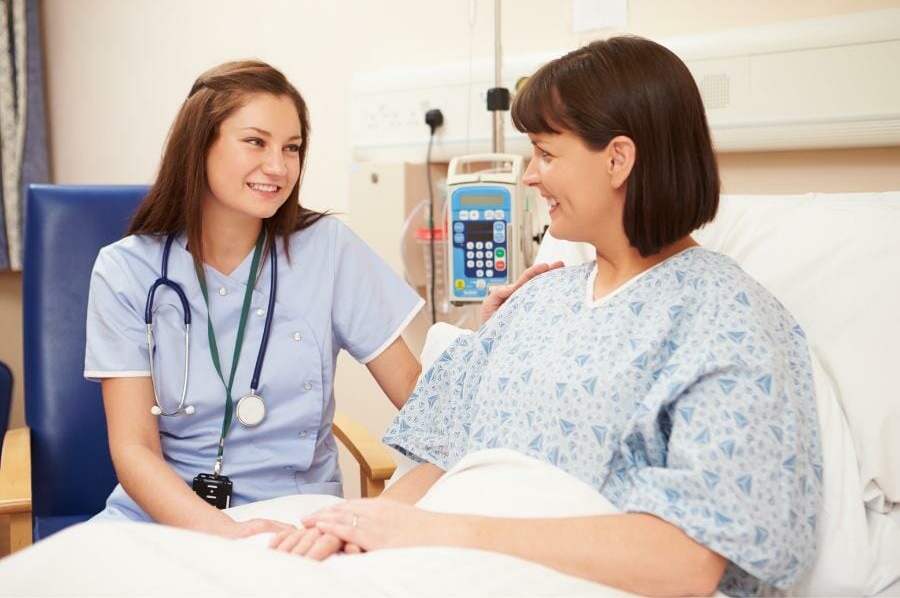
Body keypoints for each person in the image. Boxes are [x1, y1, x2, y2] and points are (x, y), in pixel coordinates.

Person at [273, 36, 823, 597]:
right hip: (428, 567)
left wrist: (436, 533)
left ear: (617, 159)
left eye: (546, 153)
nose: (530, 175)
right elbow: (434, 461)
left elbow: (688, 562)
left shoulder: (727, 319)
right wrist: (351, 538)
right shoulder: (533, 302)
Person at [84, 61, 424, 538]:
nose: (278, 167)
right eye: (255, 142)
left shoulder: (328, 250)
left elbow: (419, 395)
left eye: (292, 148)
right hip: (164, 520)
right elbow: (134, 450)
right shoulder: (126, 270)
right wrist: (224, 533)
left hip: (300, 521)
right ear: (200, 144)